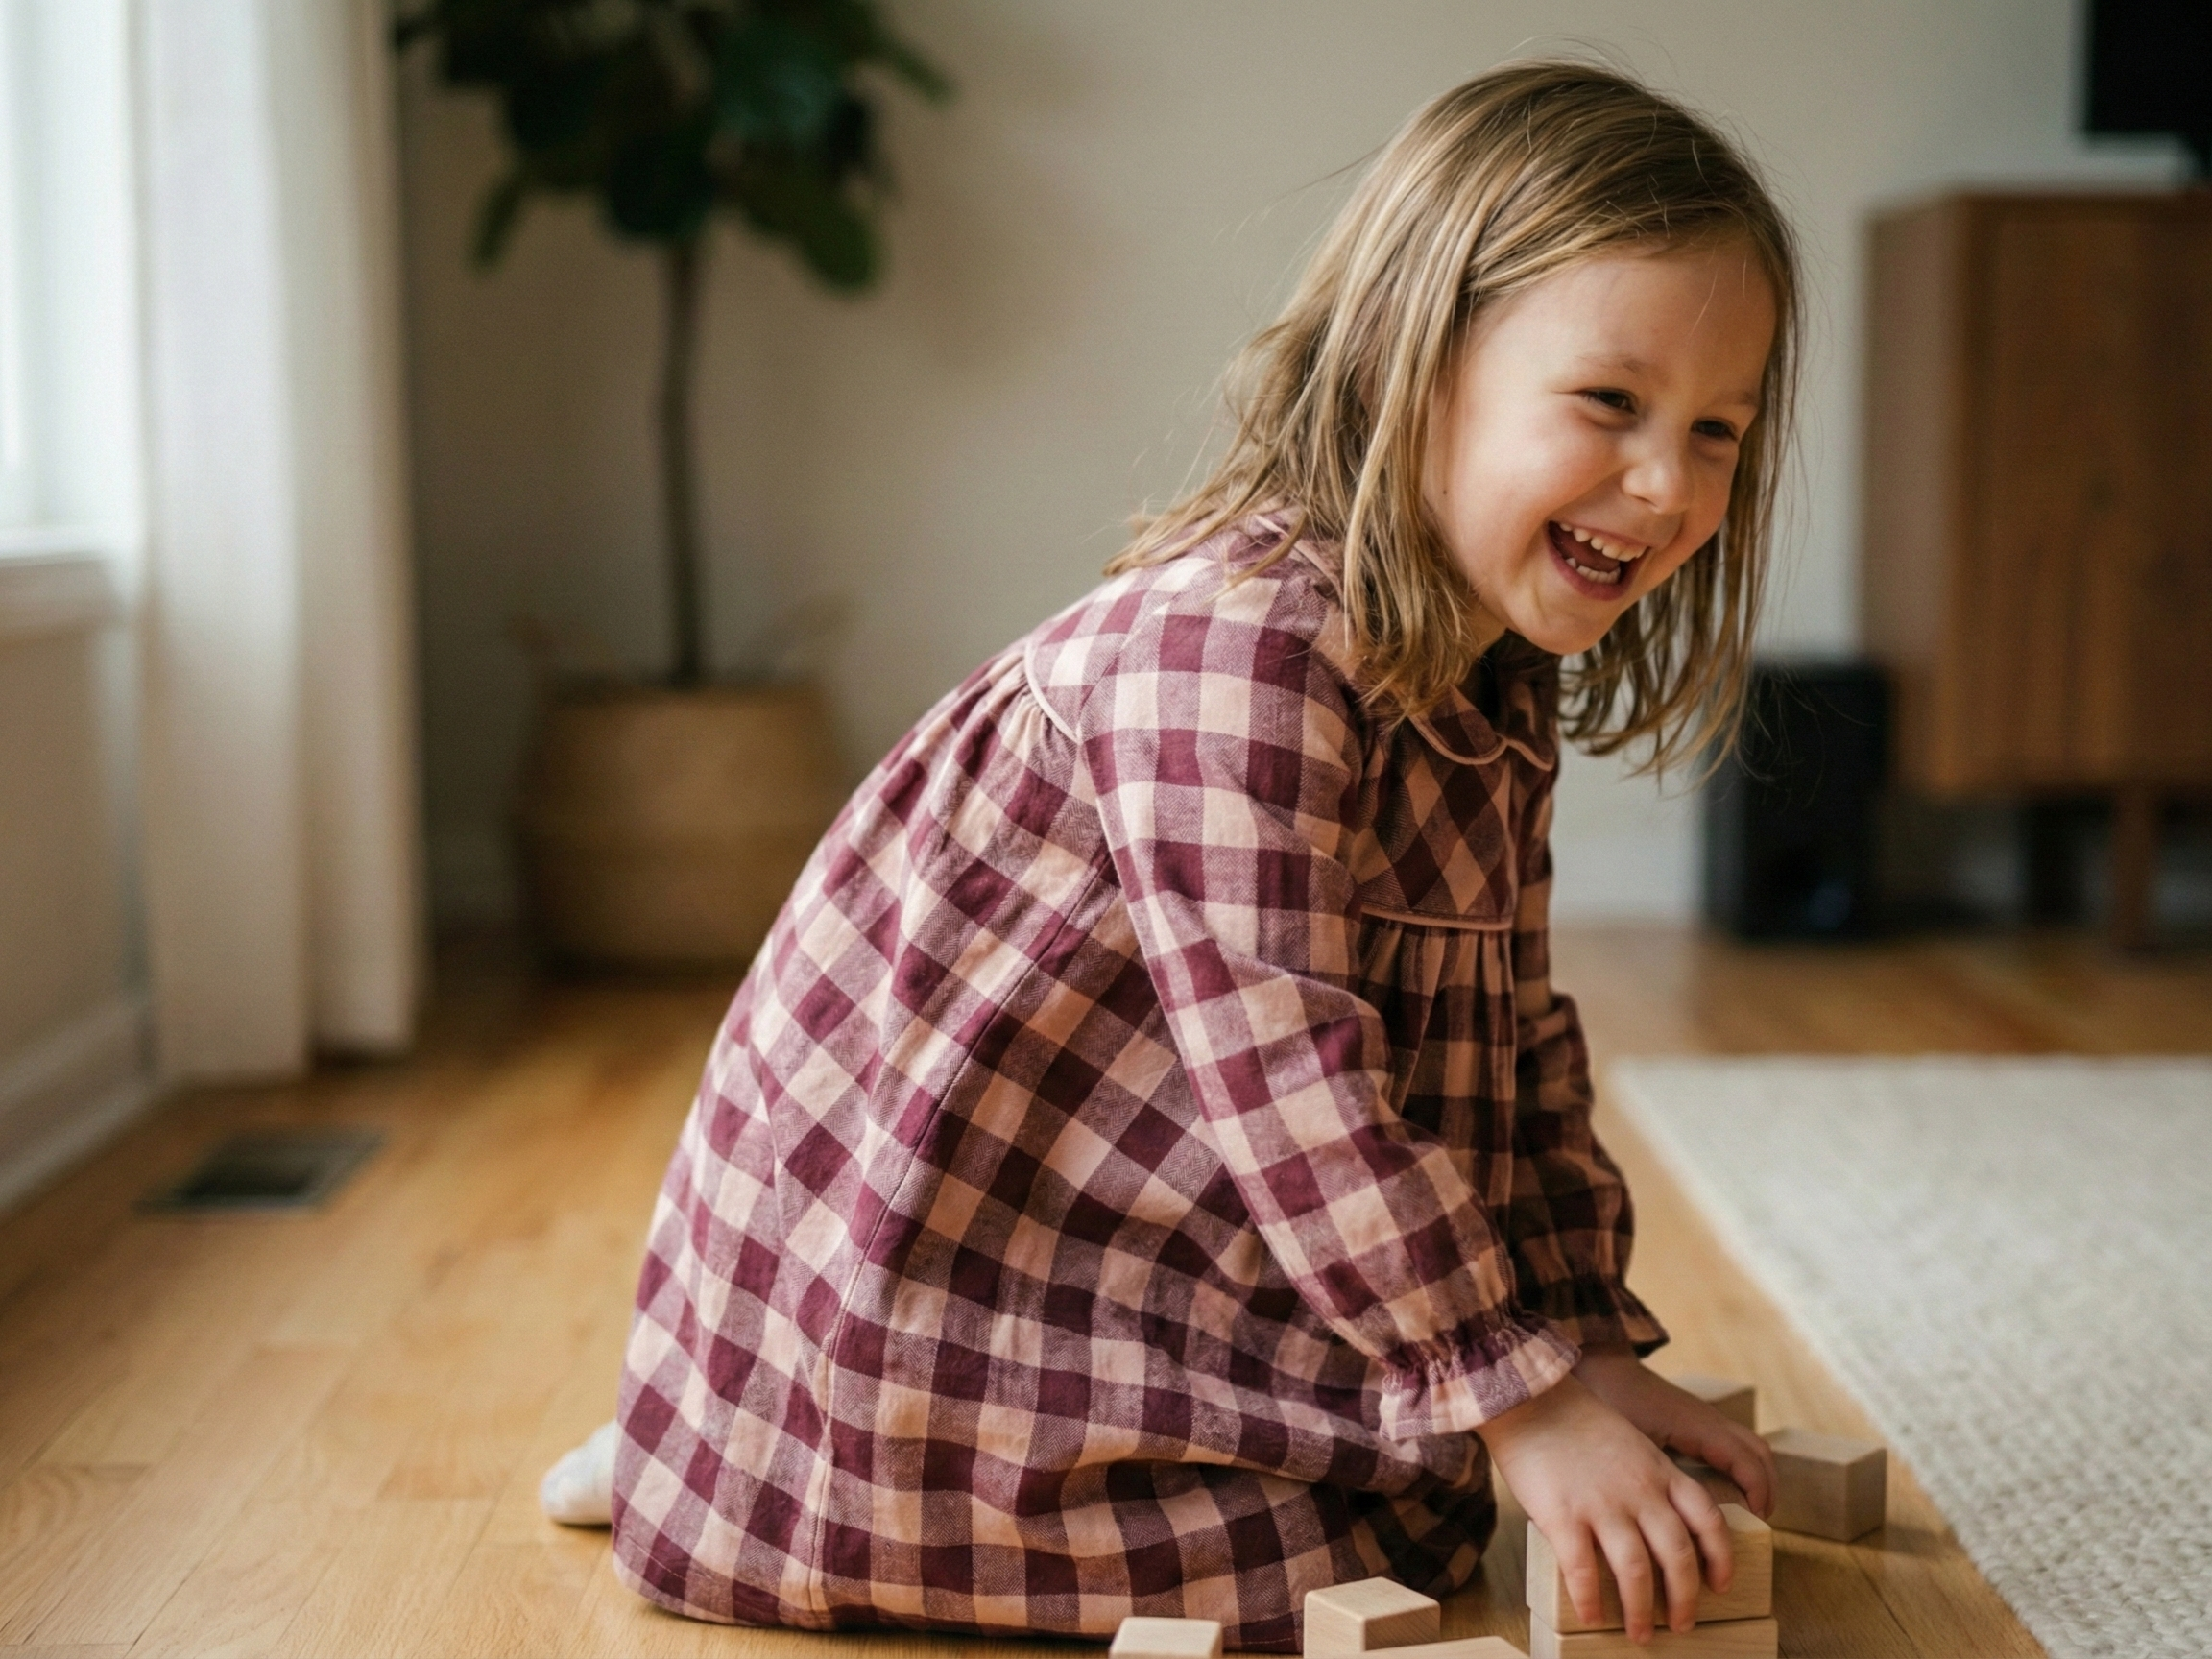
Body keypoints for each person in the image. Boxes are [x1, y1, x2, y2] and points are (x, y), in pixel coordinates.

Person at [550, 58, 1803, 1652]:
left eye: (1717, 431)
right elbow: (1297, 1091)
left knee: (1413, 1510)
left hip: (1153, 1236)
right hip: (949, 1279)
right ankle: (746, 1458)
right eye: (1610, 404)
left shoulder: (1492, 681)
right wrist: (1513, 1398)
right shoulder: (1241, 659)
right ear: (1418, 365)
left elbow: (1515, 1047)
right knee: (1344, 1569)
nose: (1667, 482)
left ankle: (713, 1454)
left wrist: (1573, 1346)